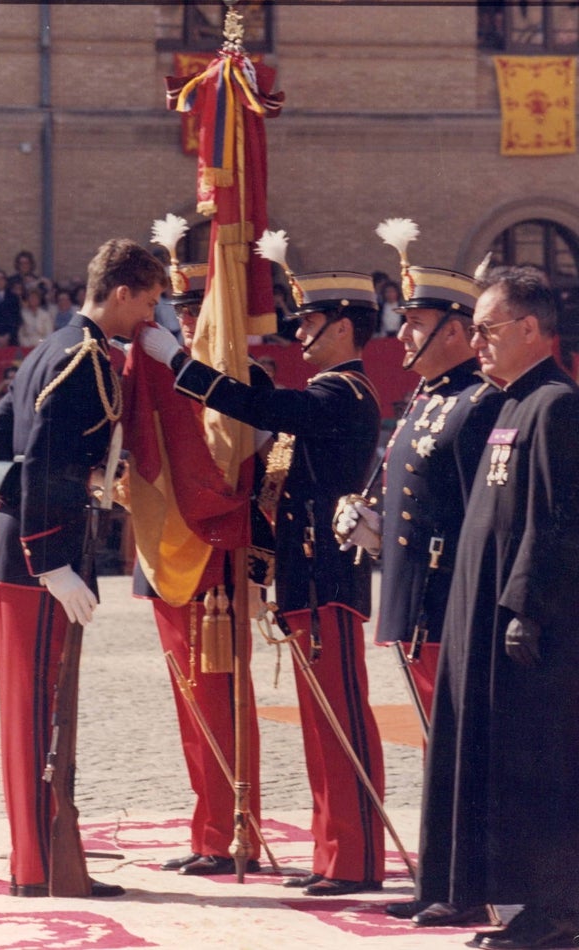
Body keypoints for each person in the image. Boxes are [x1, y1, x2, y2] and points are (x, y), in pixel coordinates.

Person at [140, 261, 386, 898]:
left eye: (311, 319)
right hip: (305, 575)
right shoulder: (328, 392)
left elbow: (255, 404)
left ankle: (355, 857)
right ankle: (336, 851)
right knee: (319, 720)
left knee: (339, 720)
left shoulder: (344, 393)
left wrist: (180, 365)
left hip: (329, 574)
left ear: (345, 328)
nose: (300, 329)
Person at [0, 237, 167, 898]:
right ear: (121, 293)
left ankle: (42, 860)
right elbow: (47, 456)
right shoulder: (86, 359)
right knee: (41, 713)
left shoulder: (48, 350)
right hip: (38, 560)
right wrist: (52, 558)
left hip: (15, 550)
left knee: (34, 711)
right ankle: (42, 869)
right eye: (149, 300)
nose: (152, 316)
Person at [334, 221, 504, 927]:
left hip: (448, 599)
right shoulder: (426, 400)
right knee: (439, 750)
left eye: (419, 325)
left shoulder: (478, 402)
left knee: (460, 751)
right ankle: (442, 878)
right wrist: (369, 524)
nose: (403, 338)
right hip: (414, 597)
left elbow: (476, 517)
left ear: (461, 332)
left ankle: (467, 885)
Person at [416, 265, 579, 948]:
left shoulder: (557, 404)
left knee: (536, 768)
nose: (475, 342)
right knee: (487, 759)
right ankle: (480, 892)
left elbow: (554, 521)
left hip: (527, 627)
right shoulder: (508, 401)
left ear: (532, 329)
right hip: (478, 614)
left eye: (487, 329)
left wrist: (524, 608)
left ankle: (556, 913)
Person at [131, 251, 268, 875]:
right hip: (167, 551)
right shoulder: (158, 372)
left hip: (220, 561)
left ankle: (231, 831)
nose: (187, 323)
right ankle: (207, 829)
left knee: (220, 701)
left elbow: (258, 473)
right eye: (180, 311)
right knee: (190, 704)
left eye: (198, 312)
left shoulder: (244, 382)